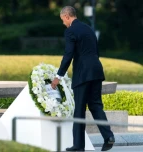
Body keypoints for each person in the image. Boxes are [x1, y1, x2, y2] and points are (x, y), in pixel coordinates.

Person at [51, 6, 115, 151]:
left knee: (79, 109)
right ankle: (108, 136)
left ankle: (78, 146)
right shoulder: (89, 29)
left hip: (82, 74)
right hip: (96, 71)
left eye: (63, 20)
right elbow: (96, 51)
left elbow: (68, 55)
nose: (63, 23)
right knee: (96, 105)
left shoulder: (70, 31)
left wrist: (58, 76)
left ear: (67, 16)